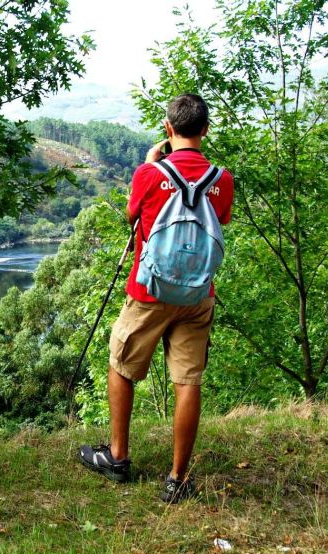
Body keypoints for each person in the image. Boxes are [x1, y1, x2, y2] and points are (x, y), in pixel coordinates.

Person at [78, 94, 234, 503]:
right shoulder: (223, 179)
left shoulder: (149, 174)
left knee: (121, 363)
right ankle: (178, 478)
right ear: (205, 130)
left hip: (149, 291)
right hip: (198, 293)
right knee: (188, 380)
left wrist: (151, 166)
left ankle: (117, 456)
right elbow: (220, 221)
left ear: (168, 128)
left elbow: (135, 219)